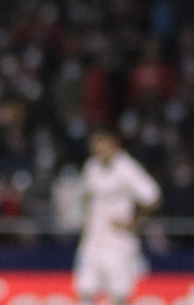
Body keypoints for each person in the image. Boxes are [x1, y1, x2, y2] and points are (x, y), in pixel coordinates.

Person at [74, 128, 161, 305]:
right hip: (92, 239)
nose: (98, 149)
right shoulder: (92, 167)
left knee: (119, 295)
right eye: (95, 145)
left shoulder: (127, 168)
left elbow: (153, 197)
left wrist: (133, 223)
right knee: (85, 290)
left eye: (101, 144)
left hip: (118, 242)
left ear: (112, 144)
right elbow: (85, 196)